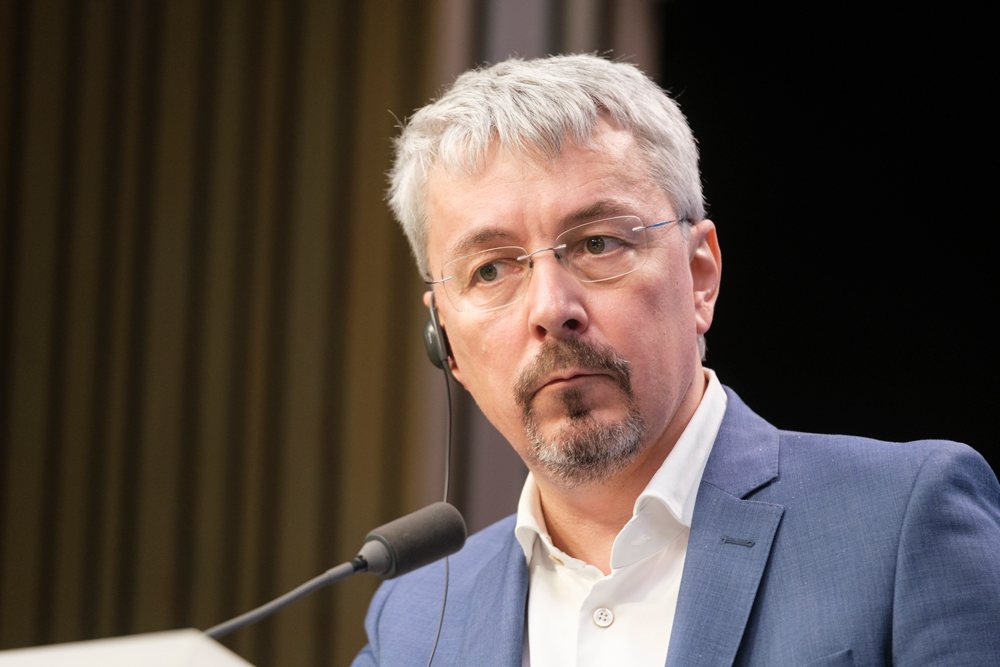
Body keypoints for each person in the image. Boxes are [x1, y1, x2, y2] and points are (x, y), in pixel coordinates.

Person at [351, 55, 1000, 667]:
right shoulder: (410, 622)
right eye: (490, 269)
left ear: (700, 276)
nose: (551, 307)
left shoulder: (901, 522)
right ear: (444, 339)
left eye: (598, 242)